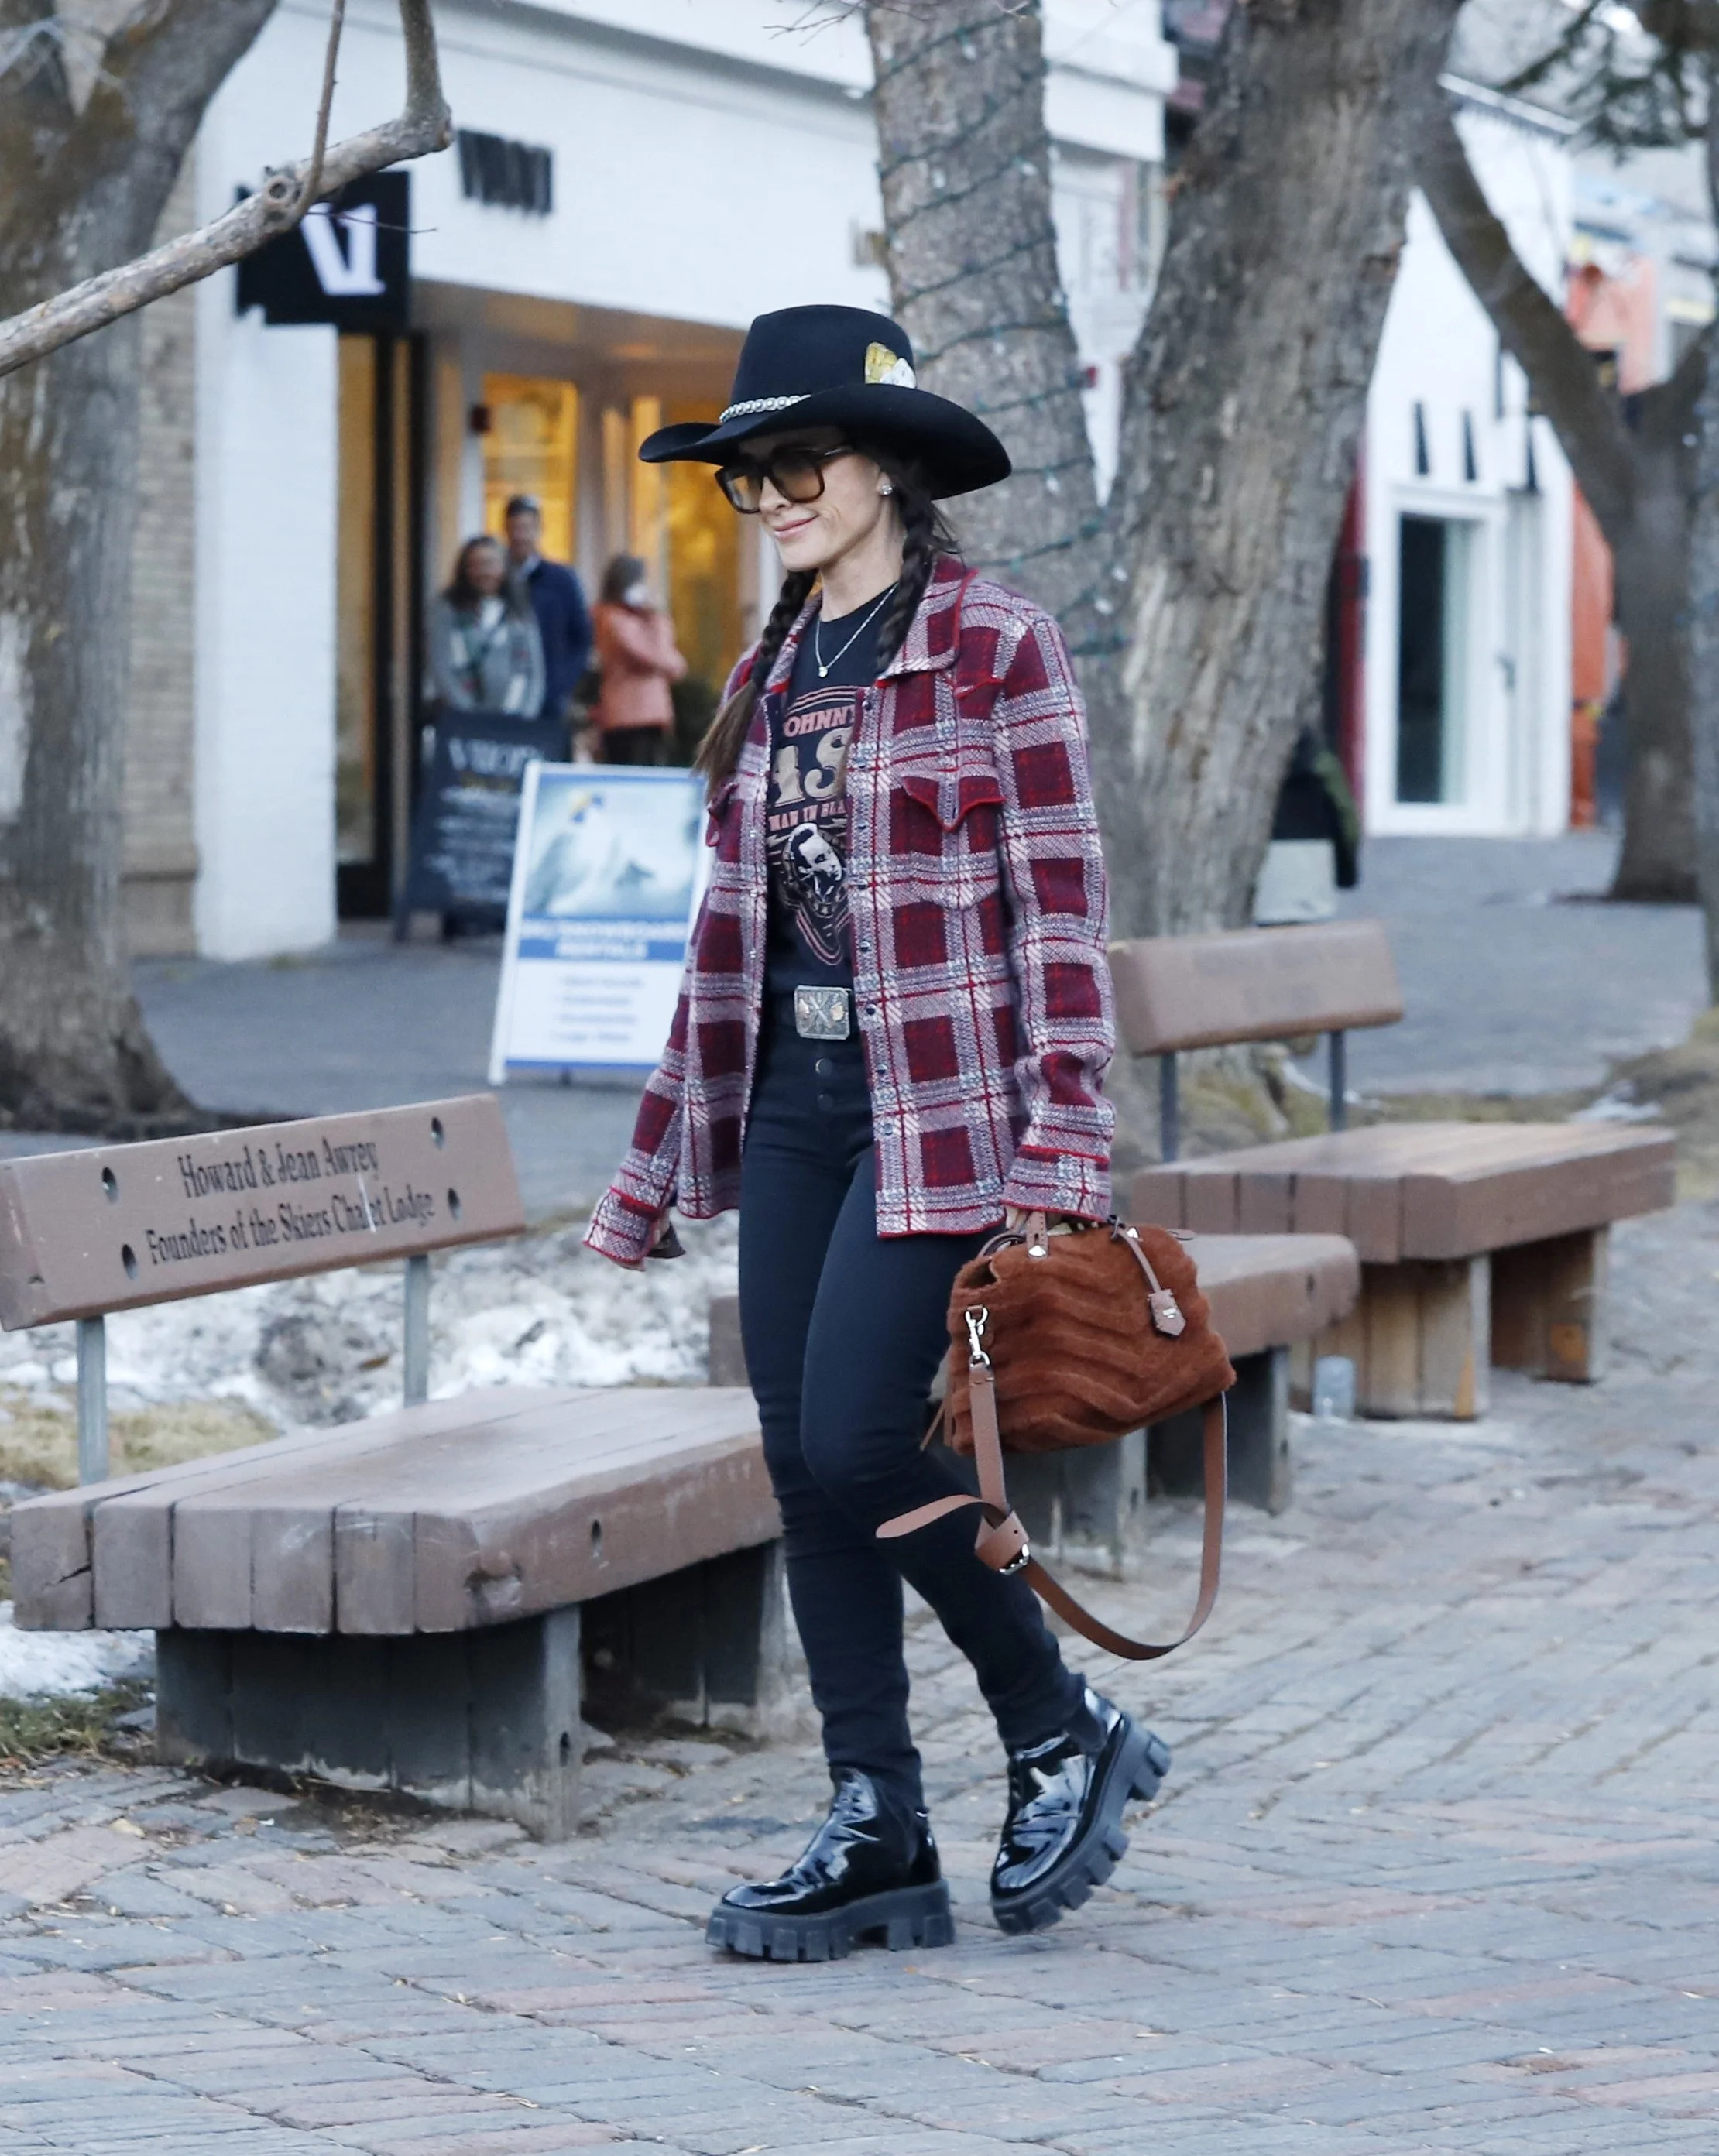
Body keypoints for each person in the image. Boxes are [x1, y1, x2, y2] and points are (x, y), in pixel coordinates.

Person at [586, 304, 1170, 1960]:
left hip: (944, 1108)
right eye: (747, 473)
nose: (770, 495)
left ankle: (1059, 1726)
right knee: (800, 1459)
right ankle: (879, 1823)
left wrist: (1064, 1145)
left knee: (856, 1438)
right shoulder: (771, 668)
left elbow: (1064, 918)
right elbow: (734, 944)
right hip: (792, 1103)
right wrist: (665, 1151)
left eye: (799, 462)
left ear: (890, 468)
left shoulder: (997, 646)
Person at [427, 536, 544, 715]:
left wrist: (525, 716)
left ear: (504, 567)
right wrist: (470, 716)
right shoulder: (445, 609)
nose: (484, 572)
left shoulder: (520, 610)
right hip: (461, 718)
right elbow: (441, 668)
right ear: (465, 569)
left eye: (490, 563)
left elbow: (535, 674)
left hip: (514, 721)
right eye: (476, 564)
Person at [504, 493, 593, 727]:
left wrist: (562, 683)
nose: (520, 536)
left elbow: (582, 638)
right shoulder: (498, 580)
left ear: (539, 530)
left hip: (550, 700)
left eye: (526, 528)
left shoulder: (562, 580)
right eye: (514, 528)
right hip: (505, 699)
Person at [592, 554, 688, 765]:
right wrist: (657, 616)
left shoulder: (640, 619)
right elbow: (655, 656)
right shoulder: (612, 619)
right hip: (627, 717)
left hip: (653, 715)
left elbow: (674, 664)